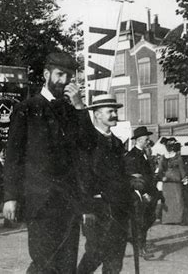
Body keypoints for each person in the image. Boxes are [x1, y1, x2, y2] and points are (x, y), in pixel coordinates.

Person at [3, 52, 95, 273]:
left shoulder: (73, 111)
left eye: (69, 77)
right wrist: (10, 197)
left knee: (67, 264)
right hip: (39, 202)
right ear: (46, 74)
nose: (64, 81)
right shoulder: (27, 108)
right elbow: (13, 157)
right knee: (44, 263)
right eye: (59, 74)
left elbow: (90, 147)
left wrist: (80, 107)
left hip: (69, 203)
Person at [77, 94, 132, 274]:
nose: (115, 115)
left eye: (115, 111)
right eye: (110, 111)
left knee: (115, 259)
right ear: (97, 115)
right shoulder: (88, 141)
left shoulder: (117, 143)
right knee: (95, 254)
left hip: (118, 209)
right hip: (97, 209)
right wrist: (87, 209)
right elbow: (83, 175)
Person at [124, 126, 158, 259]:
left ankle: (137, 243)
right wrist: (143, 193)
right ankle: (141, 248)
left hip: (149, 192)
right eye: (146, 139)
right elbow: (134, 178)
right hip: (139, 195)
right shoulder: (131, 156)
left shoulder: (144, 154)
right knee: (141, 222)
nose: (148, 141)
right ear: (138, 140)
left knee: (149, 219)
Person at [158, 138, 186, 224]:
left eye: (170, 146)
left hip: (176, 181)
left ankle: (177, 219)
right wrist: (161, 177)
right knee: (167, 200)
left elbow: (182, 169)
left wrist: (184, 178)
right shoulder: (163, 157)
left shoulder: (178, 157)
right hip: (166, 182)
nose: (168, 148)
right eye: (167, 146)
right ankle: (167, 219)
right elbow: (160, 170)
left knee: (177, 199)